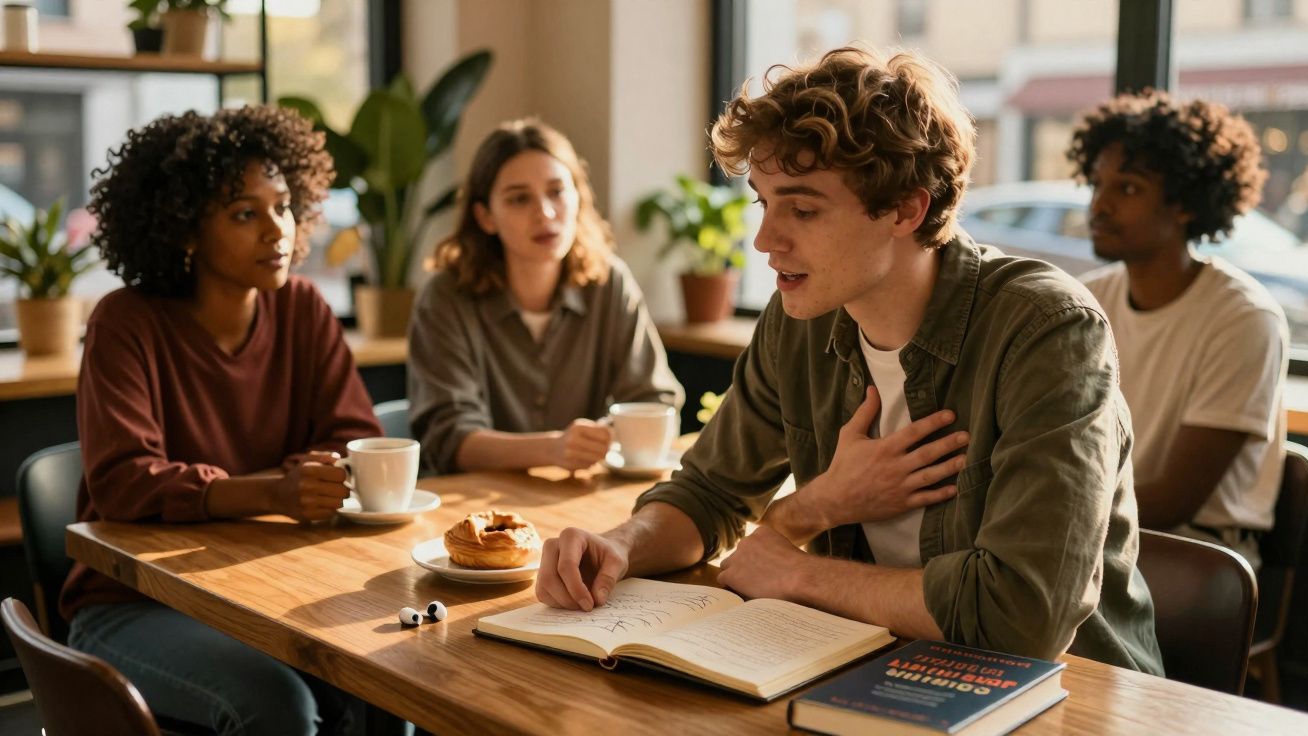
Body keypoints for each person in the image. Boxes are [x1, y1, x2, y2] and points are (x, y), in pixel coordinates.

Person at [534, 46, 1162, 674]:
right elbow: (709, 493)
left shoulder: (1047, 331)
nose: (764, 240)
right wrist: (618, 546)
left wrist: (799, 572)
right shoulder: (801, 317)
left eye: (803, 209)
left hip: (1069, 695)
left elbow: (1024, 615)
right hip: (876, 666)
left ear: (906, 209)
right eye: (764, 202)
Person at [61, 106, 382, 735]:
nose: (277, 230)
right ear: (185, 231)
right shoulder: (125, 323)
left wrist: (309, 477)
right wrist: (275, 491)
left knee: (388, 674)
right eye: (244, 213)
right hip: (131, 603)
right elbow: (123, 480)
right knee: (278, 706)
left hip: (265, 593)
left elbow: (354, 438)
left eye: (284, 206)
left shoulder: (304, 309)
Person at [1072, 92, 1288, 570]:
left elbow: (1175, 500)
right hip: (1094, 533)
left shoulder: (1244, 319)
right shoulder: (1086, 301)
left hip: (1196, 557)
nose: (1100, 205)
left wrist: (1045, 515)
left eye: (1127, 189)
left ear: (1186, 205)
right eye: (1097, 184)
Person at [408, 118, 683, 474]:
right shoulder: (444, 297)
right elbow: (447, 438)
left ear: (578, 197)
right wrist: (553, 449)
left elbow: (655, 401)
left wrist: (600, 440)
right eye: (519, 199)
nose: (545, 213)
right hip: (474, 510)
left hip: (578, 497)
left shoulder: (609, 282)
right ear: (485, 216)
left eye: (556, 191)